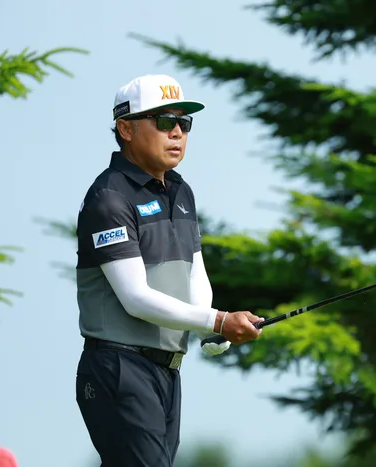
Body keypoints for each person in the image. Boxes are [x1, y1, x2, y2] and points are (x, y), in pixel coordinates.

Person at [74, 74, 264, 466]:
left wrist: (206, 326)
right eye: (163, 121)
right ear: (126, 129)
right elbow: (135, 297)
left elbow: (195, 273)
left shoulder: (180, 191)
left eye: (184, 123)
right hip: (118, 368)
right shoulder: (109, 198)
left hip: (165, 372)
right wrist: (217, 320)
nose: (177, 132)